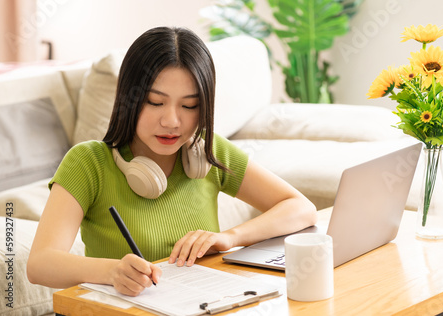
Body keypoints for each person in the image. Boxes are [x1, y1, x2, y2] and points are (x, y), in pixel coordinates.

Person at [27, 26, 317, 297]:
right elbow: (40, 264)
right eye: (155, 102)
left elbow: (301, 208)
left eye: (190, 106)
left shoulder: (207, 151)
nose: (172, 121)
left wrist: (231, 237)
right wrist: (111, 271)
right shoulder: (88, 162)